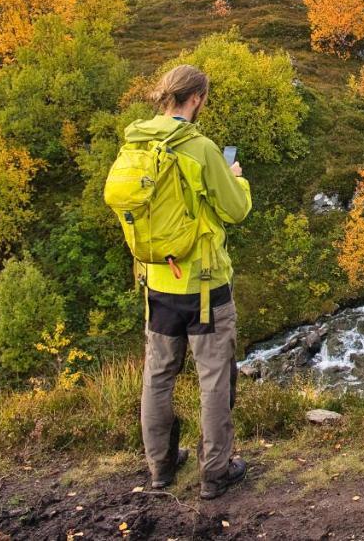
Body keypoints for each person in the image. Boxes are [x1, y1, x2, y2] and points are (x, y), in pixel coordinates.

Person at [124, 65, 251, 500]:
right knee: (214, 378)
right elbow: (235, 210)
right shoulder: (200, 148)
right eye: (203, 99)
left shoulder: (136, 142)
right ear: (196, 98)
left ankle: (160, 467)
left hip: (156, 281)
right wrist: (237, 180)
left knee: (158, 375)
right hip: (204, 284)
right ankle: (215, 473)